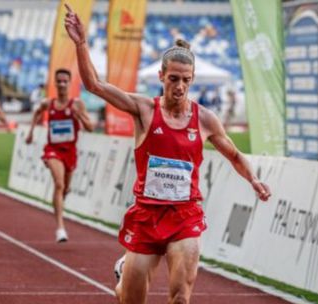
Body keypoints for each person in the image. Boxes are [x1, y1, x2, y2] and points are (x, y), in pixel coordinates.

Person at [64, 5, 271, 304]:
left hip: (184, 215)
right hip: (146, 215)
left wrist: (254, 179)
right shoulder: (144, 110)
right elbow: (94, 85)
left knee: (180, 298)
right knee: (130, 299)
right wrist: (82, 43)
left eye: (186, 79)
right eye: (174, 78)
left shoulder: (205, 119)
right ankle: (124, 273)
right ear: (161, 76)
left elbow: (235, 155)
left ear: (193, 78)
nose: (180, 86)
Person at [25, 68, 94, 243]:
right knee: (59, 183)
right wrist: (31, 132)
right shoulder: (48, 103)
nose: (62, 84)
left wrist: (80, 117)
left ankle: (58, 204)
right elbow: (37, 113)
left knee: (64, 189)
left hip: (69, 152)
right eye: (59, 81)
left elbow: (91, 127)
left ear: (70, 84)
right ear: (54, 83)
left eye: (65, 81)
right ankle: (60, 228)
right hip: (53, 150)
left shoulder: (77, 104)